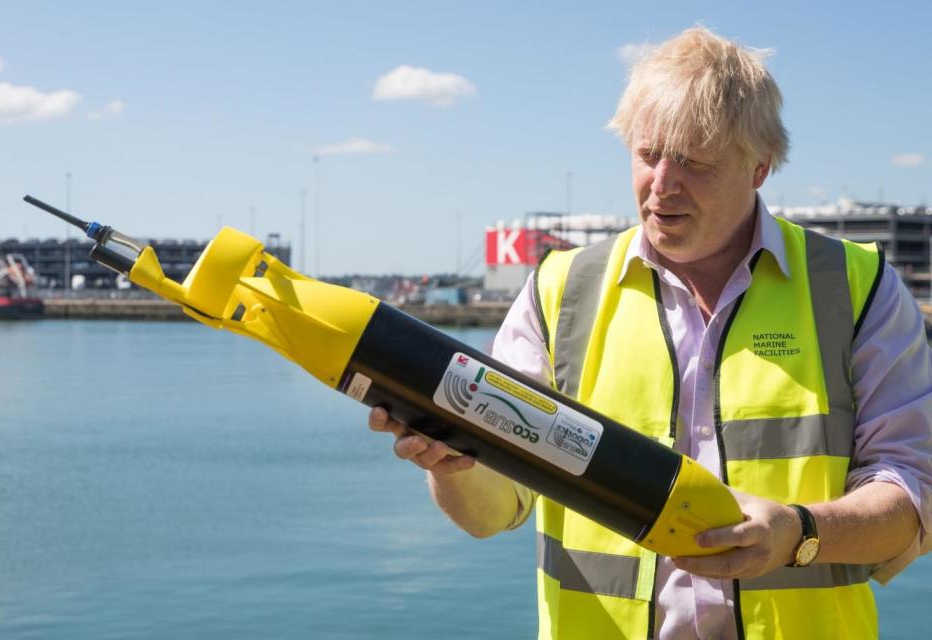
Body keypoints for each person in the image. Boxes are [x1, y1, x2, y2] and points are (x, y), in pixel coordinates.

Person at [369, 26, 932, 639]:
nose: (662, 183)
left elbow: (913, 499)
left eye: (693, 160)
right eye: (648, 154)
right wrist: (451, 464)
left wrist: (799, 533)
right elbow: (495, 508)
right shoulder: (561, 292)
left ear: (760, 167)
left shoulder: (856, 288)